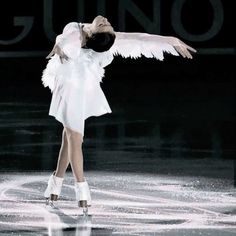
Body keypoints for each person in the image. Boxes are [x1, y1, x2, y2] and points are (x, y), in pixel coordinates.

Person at [42, 15, 196, 213]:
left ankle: (66, 185)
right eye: (106, 24)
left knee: (71, 136)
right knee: (73, 136)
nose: (105, 21)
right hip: (68, 83)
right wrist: (58, 44)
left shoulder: (84, 35)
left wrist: (170, 41)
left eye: (105, 25)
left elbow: (141, 39)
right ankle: (69, 186)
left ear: (93, 35)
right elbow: (64, 40)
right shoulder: (82, 34)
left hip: (79, 85)